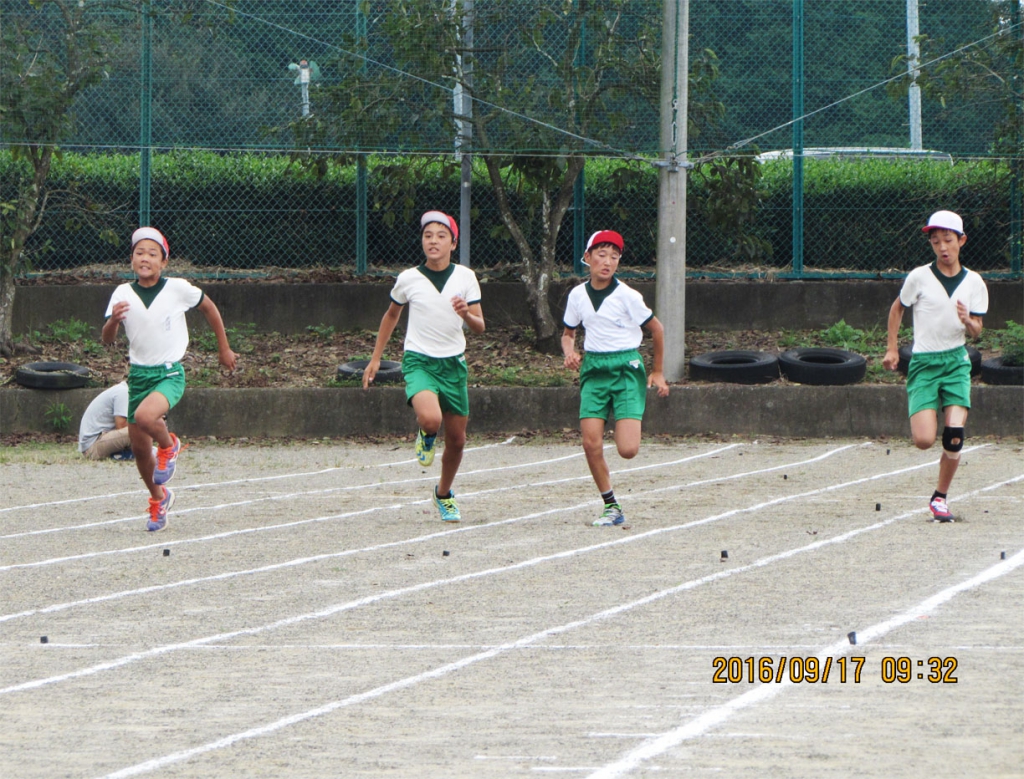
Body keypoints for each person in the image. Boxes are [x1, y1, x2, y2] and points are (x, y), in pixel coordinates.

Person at [102, 227, 237, 531]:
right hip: (138, 375)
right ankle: (159, 499)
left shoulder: (177, 288)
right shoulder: (122, 293)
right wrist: (113, 321)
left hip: (169, 373)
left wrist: (224, 348)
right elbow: (107, 340)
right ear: (131, 259)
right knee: (139, 449)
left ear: (164, 262)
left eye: (153, 254)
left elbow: (209, 308)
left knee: (145, 416)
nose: (145, 258)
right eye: (139, 253)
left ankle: (169, 445)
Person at [362, 210, 485, 522]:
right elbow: (391, 315)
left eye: (441, 236)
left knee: (457, 440)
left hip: (453, 364)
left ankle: (443, 494)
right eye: (428, 235)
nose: (433, 241)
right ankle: (426, 433)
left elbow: (480, 326)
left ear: (453, 244)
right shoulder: (409, 278)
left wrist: (465, 314)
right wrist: (376, 358)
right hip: (419, 360)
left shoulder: (465, 277)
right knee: (431, 419)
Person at [882, 210, 988, 521]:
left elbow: (977, 329)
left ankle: (940, 497)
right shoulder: (919, 277)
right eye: (935, 241)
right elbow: (897, 309)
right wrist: (892, 349)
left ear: (961, 241)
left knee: (954, 434)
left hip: (956, 362)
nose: (942, 247)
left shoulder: (974, 282)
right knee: (924, 440)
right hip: (924, 363)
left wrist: (969, 321)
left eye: (948, 240)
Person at [562, 230, 670, 526]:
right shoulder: (577, 295)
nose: (607, 262)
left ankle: (628, 415)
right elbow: (568, 334)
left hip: (625, 368)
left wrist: (658, 372)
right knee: (590, 443)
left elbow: (657, 329)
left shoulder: (628, 296)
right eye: (601, 255)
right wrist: (569, 352)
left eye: (614, 256)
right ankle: (611, 506)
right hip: (594, 369)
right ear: (587, 258)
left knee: (628, 450)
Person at [78, 381, 131, 460]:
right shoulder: (123, 392)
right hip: (93, 447)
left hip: (95, 442)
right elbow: (121, 426)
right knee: (138, 430)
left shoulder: (119, 390)